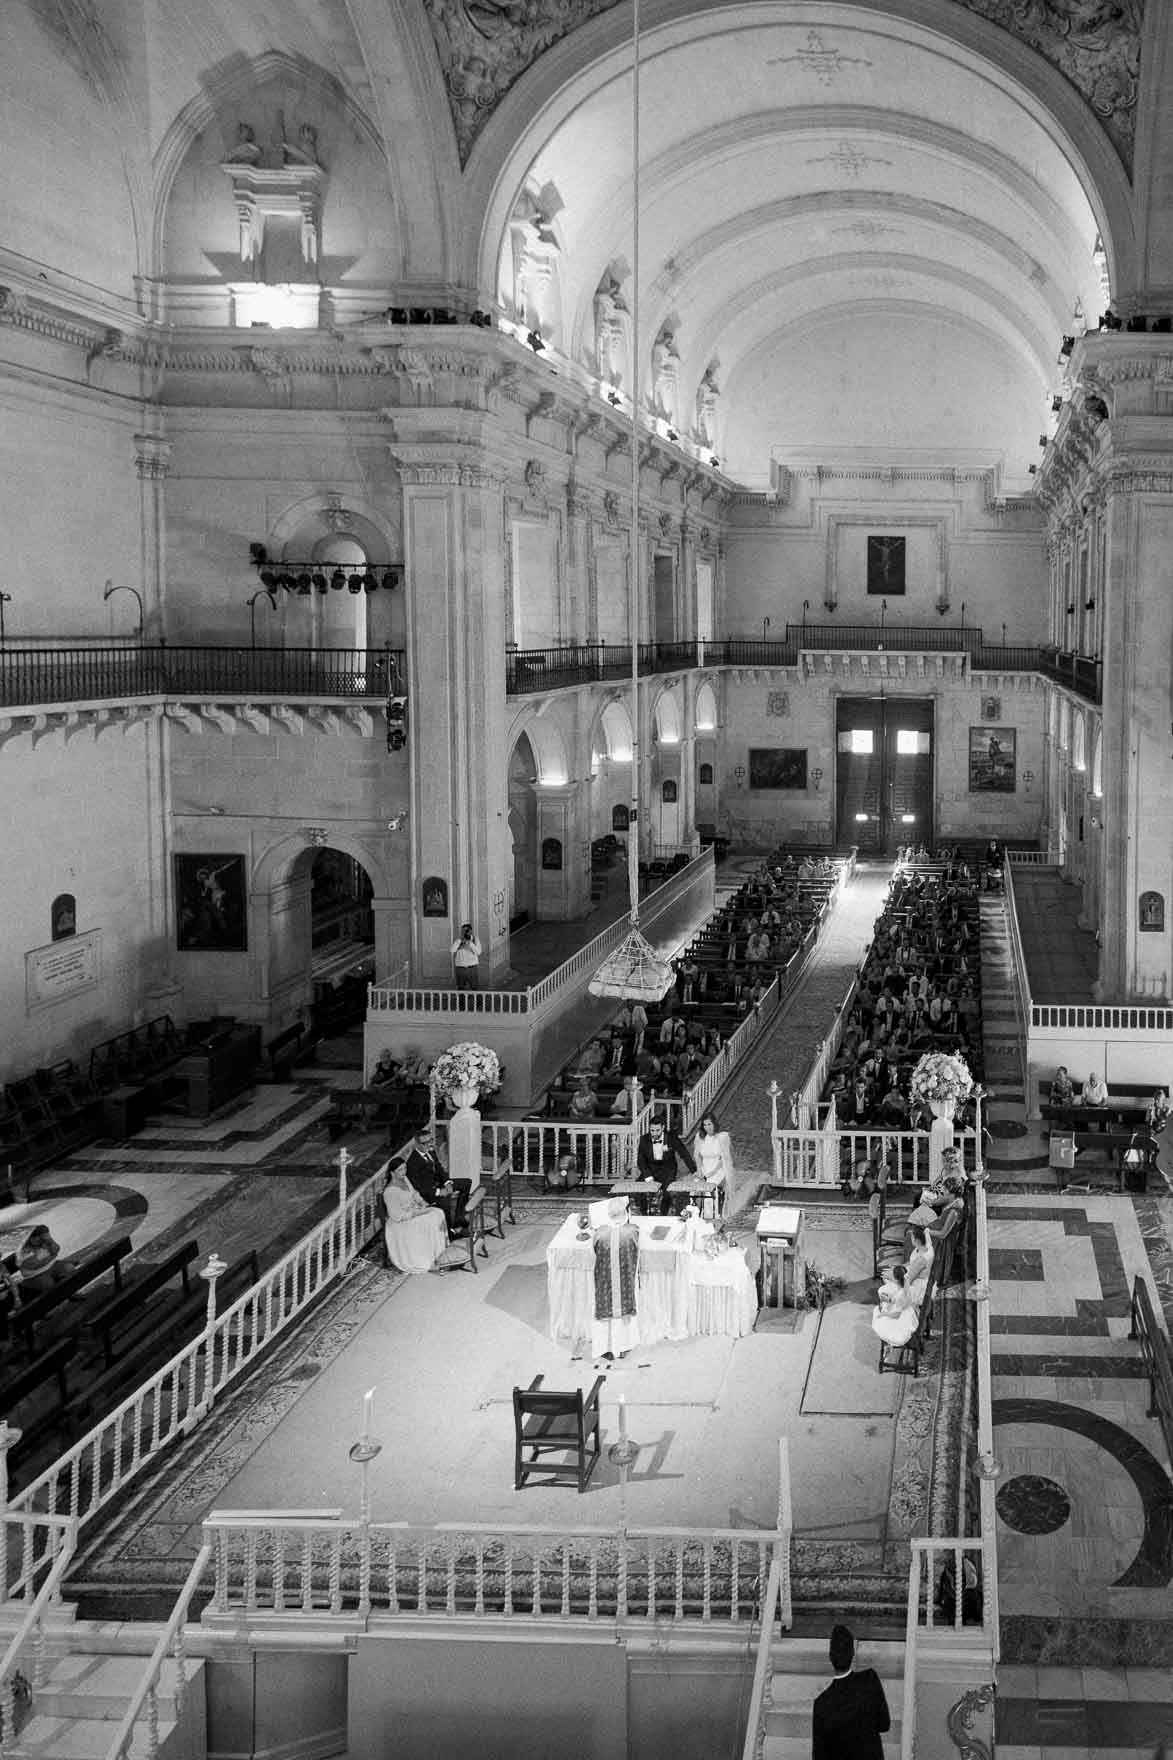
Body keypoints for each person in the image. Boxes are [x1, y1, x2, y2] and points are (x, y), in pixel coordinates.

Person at [811, 1623, 891, 1760]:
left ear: (830, 1657)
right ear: (852, 1653)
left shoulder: (821, 1704)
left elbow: (819, 1756)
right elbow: (884, 1724)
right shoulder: (870, 1680)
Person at [591, 1196, 640, 1361]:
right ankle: (623, 1347)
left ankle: (605, 1348)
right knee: (623, 1316)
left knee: (606, 1316)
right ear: (625, 1213)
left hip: (605, 1283)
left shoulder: (600, 1232)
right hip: (625, 1281)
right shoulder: (632, 1230)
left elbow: (594, 1250)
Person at [399, 1129, 471, 1237]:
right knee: (445, 1202)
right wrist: (439, 1192)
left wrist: (447, 1183)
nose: (429, 1145)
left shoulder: (431, 1151)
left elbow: (440, 1169)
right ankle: (451, 1233)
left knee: (466, 1183)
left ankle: (459, 1219)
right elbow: (418, 1188)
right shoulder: (412, 1163)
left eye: (430, 1140)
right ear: (417, 1144)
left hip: (439, 1185)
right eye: (425, 1143)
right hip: (428, 1194)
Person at [636, 1113, 696, 1214]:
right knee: (639, 1189)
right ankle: (644, 1214)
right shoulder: (644, 1139)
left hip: (667, 1170)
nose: (654, 1133)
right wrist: (648, 1176)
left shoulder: (671, 1137)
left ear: (663, 1127)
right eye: (652, 1130)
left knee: (667, 1192)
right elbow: (640, 1160)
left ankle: (663, 1215)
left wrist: (694, 1171)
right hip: (651, 1170)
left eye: (657, 1130)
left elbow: (684, 1154)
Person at [691, 1111, 733, 1217]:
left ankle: (710, 1216)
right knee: (694, 1187)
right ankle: (695, 1215)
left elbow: (723, 1159)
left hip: (718, 1169)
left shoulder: (722, 1137)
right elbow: (697, 1156)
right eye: (704, 1125)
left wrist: (709, 1174)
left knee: (709, 1187)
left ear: (714, 1124)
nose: (707, 1127)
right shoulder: (699, 1137)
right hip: (704, 1168)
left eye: (709, 1124)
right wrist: (699, 1171)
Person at [871, 1264, 920, 1347]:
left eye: (892, 1276)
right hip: (910, 1314)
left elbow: (896, 1315)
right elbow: (902, 1301)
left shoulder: (901, 1295)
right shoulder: (909, 1287)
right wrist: (891, 1300)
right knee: (885, 1306)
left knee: (878, 1313)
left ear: (896, 1280)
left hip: (902, 1322)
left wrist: (884, 1314)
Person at [451, 923, 482, 990]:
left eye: (466, 931)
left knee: (474, 987)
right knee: (460, 988)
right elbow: (452, 950)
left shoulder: (475, 940)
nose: (464, 932)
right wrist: (460, 941)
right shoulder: (458, 940)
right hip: (460, 968)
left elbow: (478, 952)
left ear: (470, 931)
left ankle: (477, 1000)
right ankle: (461, 1000)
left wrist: (470, 944)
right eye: (462, 931)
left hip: (472, 968)